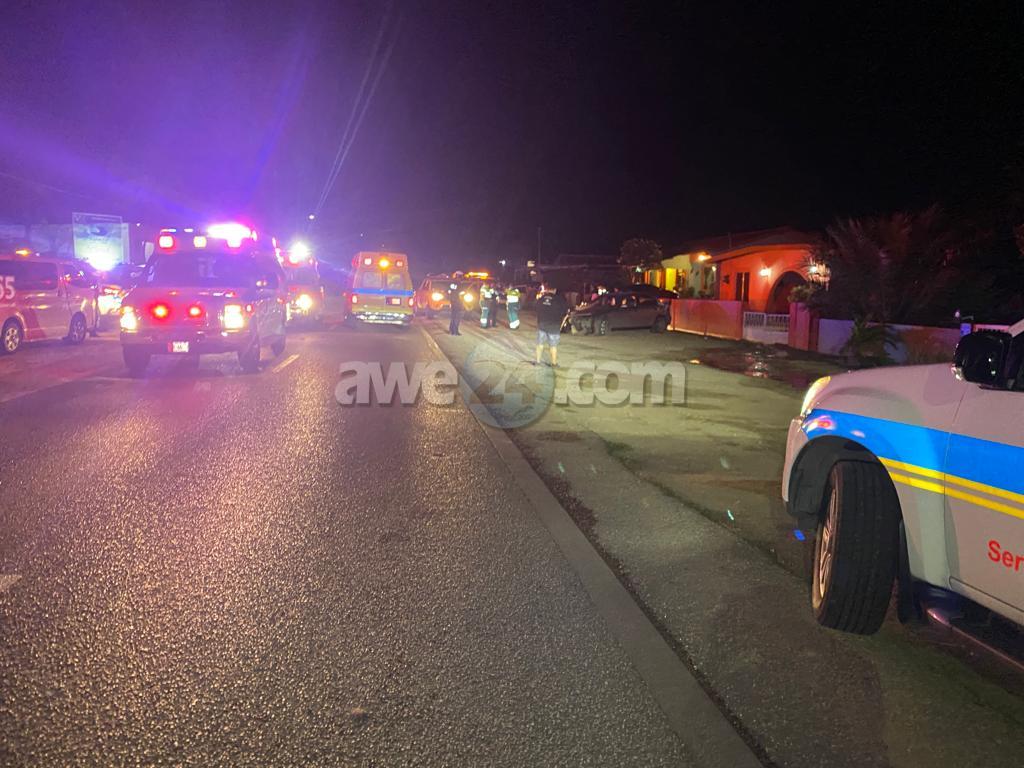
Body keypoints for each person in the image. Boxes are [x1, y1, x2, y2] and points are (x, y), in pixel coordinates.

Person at [535, 285, 569, 367]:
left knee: (540, 344)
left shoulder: (541, 298)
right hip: (554, 326)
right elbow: (565, 312)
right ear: (555, 290)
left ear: (547, 289)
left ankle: (538, 362)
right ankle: (554, 363)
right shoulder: (558, 300)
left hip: (542, 324)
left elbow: (536, 308)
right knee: (553, 346)